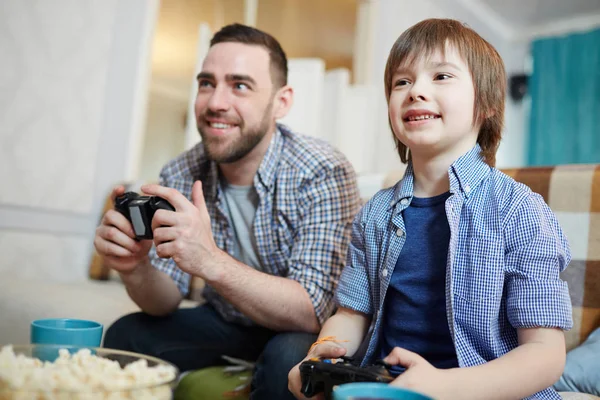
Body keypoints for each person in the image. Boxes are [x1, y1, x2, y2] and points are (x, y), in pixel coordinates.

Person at [289, 18, 572, 400]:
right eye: (401, 82)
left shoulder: (519, 210)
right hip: (388, 388)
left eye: (440, 76)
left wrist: (444, 386)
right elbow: (353, 314)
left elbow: (545, 355)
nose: (415, 91)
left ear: (485, 103)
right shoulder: (374, 213)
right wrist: (323, 353)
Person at [94, 23, 360, 399]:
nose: (216, 102)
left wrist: (209, 260)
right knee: (125, 335)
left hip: (303, 331)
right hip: (229, 321)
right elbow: (166, 298)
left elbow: (313, 309)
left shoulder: (322, 170)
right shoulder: (181, 171)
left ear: (281, 102)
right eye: (206, 83)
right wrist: (136, 268)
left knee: (288, 357)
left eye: (239, 85)